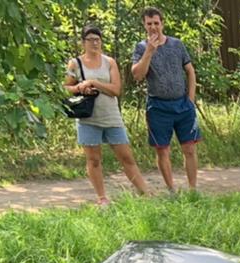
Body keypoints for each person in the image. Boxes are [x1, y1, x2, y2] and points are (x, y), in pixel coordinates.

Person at [65, 24, 150, 205]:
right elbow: (65, 88)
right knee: (94, 159)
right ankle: (102, 198)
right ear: (83, 42)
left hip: (111, 116)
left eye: (98, 40)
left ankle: (145, 192)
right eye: (90, 40)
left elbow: (116, 90)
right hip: (88, 118)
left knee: (126, 156)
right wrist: (80, 87)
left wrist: (94, 83)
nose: (95, 43)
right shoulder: (74, 63)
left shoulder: (109, 62)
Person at [131, 6, 200, 192]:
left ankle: (193, 189)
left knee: (190, 148)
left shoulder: (177, 44)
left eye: (156, 23)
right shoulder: (141, 48)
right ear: (144, 25)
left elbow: (190, 71)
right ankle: (171, 190)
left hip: (183, 104)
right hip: (158, 107)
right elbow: (137, 75)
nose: (153, 27)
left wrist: (191, 100)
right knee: (162, 149)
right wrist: (149, 52)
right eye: (149, 24)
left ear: (162, 23)